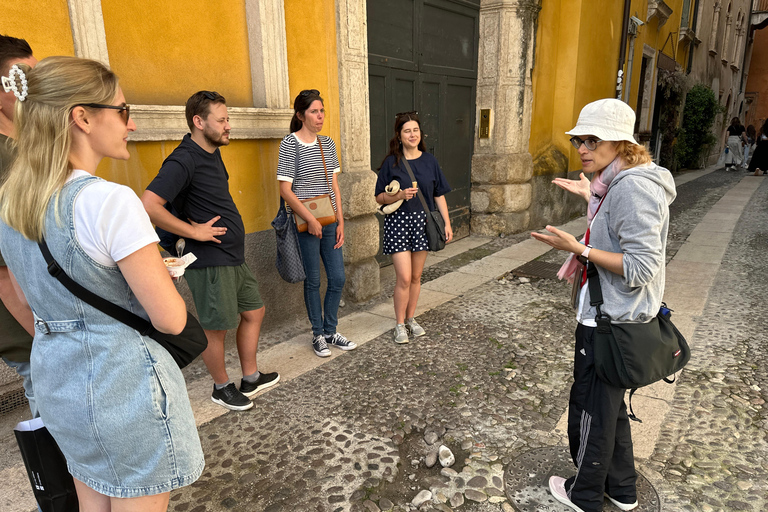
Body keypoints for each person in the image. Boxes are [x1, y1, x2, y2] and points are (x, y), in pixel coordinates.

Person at [0, 56, 204, 511]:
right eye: (124, 111)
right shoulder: (109, 201)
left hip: (57, 380)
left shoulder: (10, 202)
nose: (130, 125)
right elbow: (170, 320)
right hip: (123, 385)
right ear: (83, 117)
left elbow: (19, 290)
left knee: (91, 501)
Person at [532, 98, 676, 512]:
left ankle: (587, 495)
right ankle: (623, 490)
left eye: (593, 139)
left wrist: (579, 248)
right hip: (615, 316)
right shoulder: (620, 182)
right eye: (580, 139)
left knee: (592, 408)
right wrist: (591, 198)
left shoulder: (630, 189)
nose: (582, 147)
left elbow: (641, 267)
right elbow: (617, 230)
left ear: (621, 144)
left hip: (610, 320)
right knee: (609, 409)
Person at [142, 91, 279, 411]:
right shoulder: (183, 158)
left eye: (228, 118)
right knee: (216, 328)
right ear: (198, 121)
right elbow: (149, 204)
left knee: (254, 312)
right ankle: (221, 387)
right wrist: (192, 232)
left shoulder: (211, 152)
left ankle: (250, 376)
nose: (228, 126)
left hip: (232, 256)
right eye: (222, 120)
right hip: (209, 260)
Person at [277, 89, 356, 357]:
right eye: (314, 111)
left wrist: (341, 220)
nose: (320, 116)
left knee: (337, 277)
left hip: (329, 221)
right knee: (312, 280)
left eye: (322, 111)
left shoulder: (327, 143)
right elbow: (285, 189)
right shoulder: (290, 143)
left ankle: (331, 330)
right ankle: (318, 334)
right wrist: (310, 219)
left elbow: (334, 185)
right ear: (301, 115)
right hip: (305, 223)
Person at [374, 112, 452, 344]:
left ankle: (411, 319)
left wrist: (447, 223)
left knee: (417, 276)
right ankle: (399, 324)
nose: (412, 135)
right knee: (404, 278)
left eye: (415, 130)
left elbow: (439, 195)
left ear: (421, 134)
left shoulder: (430, 161)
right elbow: (379, 198)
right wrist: (399, 195)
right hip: (398, 224)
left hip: (423, 224)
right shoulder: (391, 163)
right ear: (399, 135)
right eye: (407, 131)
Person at [0, 34, 38, 417]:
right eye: (18, 81)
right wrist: (44, 339)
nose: (29, 92)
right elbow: (3, 269)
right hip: (30, 332)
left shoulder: (24, 145)